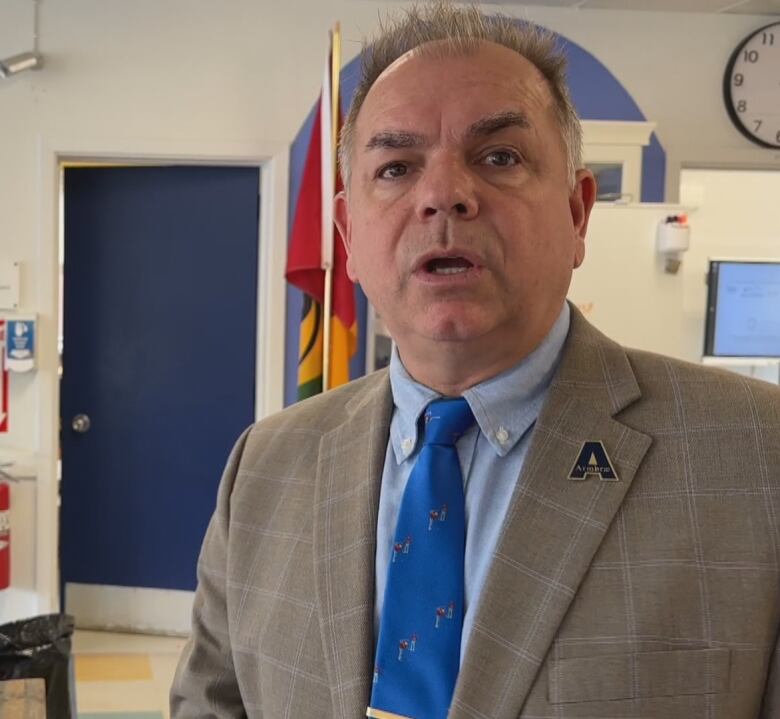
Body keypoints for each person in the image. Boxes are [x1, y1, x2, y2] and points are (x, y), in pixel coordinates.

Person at [171, 4, 780, 718]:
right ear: (348, 232)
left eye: (499, 157)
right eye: (396, 166)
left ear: (578, 213)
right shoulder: (265, 467)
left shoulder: (756, 457)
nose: (443, 195)